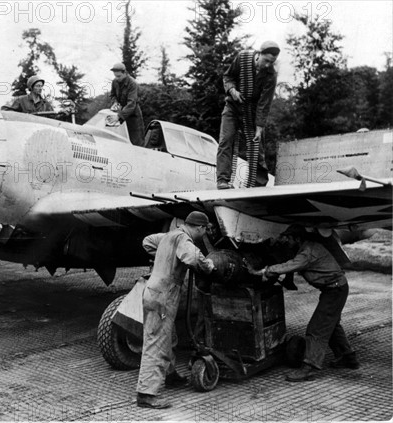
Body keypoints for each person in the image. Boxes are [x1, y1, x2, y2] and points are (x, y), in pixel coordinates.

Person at [252, 224, 359, 382]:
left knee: (316, 328)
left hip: (335, 290)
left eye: (288, 239)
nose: (285, 242)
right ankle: (348, 357)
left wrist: (266, 271)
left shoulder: (307, 252)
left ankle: (309, 368)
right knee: (330, 324)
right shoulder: (305, 247)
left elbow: (290, 265)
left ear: (297, 239)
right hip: (335, 289)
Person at [136, 212, 216, 409]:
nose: (204, 233)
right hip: (164, 295)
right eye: (205, 229)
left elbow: (147, 242)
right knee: (156, 343)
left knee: (168, 337)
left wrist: (165, 258)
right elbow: (193, 257)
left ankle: (169, 375)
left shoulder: (169, 236)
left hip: (152, 291)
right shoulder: (183, 239)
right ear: (199, 228)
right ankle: (147, 393)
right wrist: (209, 266)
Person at [216, 41, 280, 189]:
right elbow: (228, 77)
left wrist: (259, 128)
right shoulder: (243, 58)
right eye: (266, 61)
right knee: (226, 140)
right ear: (259, 54)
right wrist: (233, 91)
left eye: (272, 62)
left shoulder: (271, 75)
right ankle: (223, 180)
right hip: (233, 107)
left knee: (256, 146)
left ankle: (258, 185)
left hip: (252, 111)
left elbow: (265, 103)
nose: (267, 65)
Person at [106, 62, 145, 147]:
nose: (117, 78)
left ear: (125, 73)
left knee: (137, 142)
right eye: (115, 76)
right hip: (121, 113)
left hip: (133, 115)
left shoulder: (132, 83)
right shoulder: (115, 82)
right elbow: (112, 95)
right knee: (120, 140)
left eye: (119, 76)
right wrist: (115, 102)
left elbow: (131, 104)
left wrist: (119, 116)